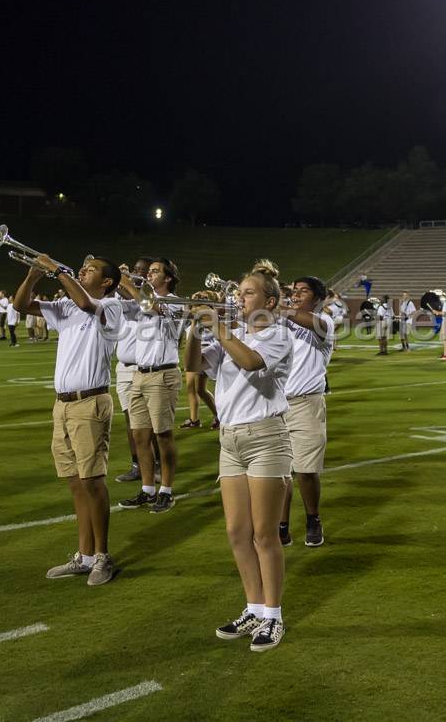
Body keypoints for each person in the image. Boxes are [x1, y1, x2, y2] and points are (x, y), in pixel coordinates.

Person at [184, 269, 293, 651]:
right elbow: (194, 366)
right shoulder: (234, 334)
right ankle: (253, 606)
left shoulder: (278, 333)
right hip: (229, 439)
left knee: (265, 535)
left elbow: (250, 363)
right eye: (239, 293)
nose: (239, 298)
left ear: (270, 302)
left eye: (248, 293)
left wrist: (216, 324)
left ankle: (273, 616)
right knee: (236, 532)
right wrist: (195, 327)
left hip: (266, 437)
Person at [14, 254, 124, 587]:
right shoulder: (68, 305)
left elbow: (87, 303)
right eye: (81, 268)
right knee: (75, 482)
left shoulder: (112, 306)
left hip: (90, 402)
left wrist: (58, 271)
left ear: (106, 282)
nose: (82, 270)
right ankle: (85, 555)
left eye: (90, 270)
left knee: (93, 481)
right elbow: (22, 306)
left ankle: (103, 556)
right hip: (62, 405)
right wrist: (34, 277)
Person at [118, 258, 184, 513]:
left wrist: (127, 281)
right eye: (149, 271)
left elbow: (150, 305)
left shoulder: (175, 302)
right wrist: (116, 283)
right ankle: (147, 489)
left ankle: (166, 490)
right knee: (140, 436)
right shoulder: (142, 298)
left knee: (163, 435)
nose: (149, 275)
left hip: (162, 375)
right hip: (139, 374)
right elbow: (123, 304)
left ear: (167, 278)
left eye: (155, 272)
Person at [278, 275, 334, 548]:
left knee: (306, 471)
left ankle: (313, 519)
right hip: (276, 405)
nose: (297, 295)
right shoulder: (280, 321)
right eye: (294, 290)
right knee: (278, 472)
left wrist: (278, 307)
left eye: (303, 291)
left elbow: (314, 324)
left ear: (318, 298)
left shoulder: (325, 322)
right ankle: (281, 525)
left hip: (306, 403)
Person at [181, 290, 221, 428]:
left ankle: (196, 419)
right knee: (198, 389)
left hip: (203, 353)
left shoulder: (209, 318)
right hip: (197, 353)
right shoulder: (193, 316)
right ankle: (216, 416)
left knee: (193, 388)